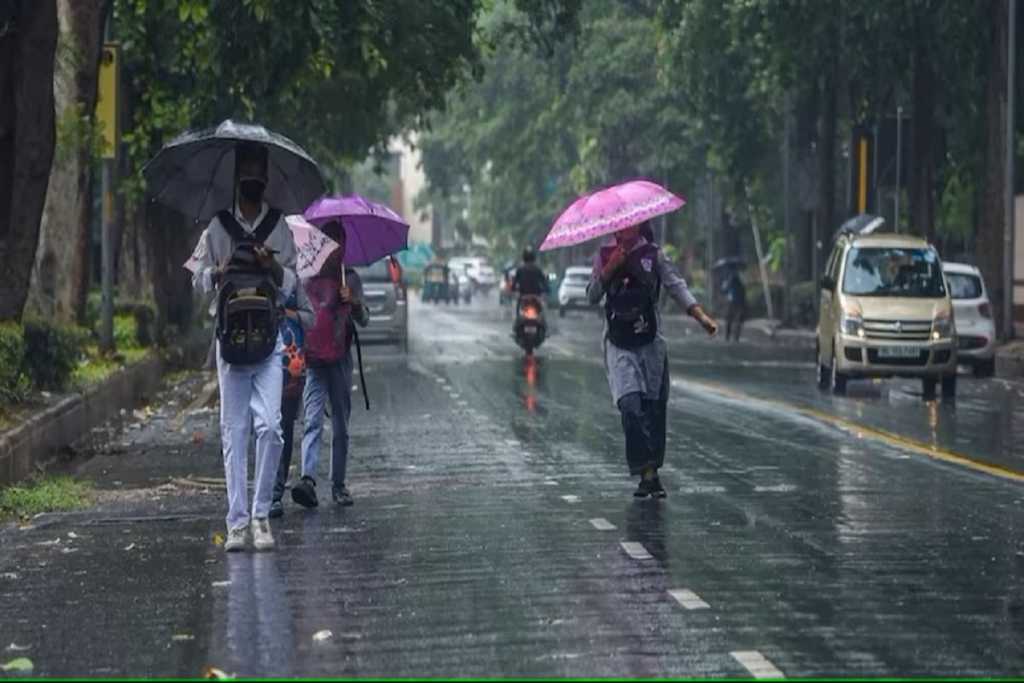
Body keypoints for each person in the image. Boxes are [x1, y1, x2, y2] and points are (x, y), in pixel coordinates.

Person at [188, 141, 298, 552]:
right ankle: (237, 523)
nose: (253, 179)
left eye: (258, 172)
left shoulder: (279, 227)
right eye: (246, 172)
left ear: (265, 178)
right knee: (234, 433)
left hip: (269, 342)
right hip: (230, 345)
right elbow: (196, 276)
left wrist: (273, 266)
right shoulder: (218, 228)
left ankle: (260, 516)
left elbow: (293, 284)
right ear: (238, 179)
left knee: (270, 427)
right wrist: (215, 273)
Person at [587, 220, 718, 498]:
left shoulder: (654, 255)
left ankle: (651, 473)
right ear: (614, 228)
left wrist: (700, 316)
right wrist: (611, 267)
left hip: (650, 345)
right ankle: (644, 469)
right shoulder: (602, 256)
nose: (625, 229)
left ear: (639, 226)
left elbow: (676, 286)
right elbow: (592, 296)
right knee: (630, 405)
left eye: (631, 224)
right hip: (618, 344)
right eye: (620, 225)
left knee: (654, 410)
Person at [290, 220, 370, 509]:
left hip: (340, 360)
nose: (333, 246)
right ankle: (308, 479)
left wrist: (355, 302)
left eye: (338, 240)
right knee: (311, 420)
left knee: (340, 425)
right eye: (328, 239)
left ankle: (338, 484)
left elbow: (364, 319)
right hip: (313, 359)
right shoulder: (306, 276)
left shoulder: (350, 277)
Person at [269, 288, 314, 519]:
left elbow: (310, 318)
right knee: (264, 427)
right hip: (261, 361)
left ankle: (275, 493)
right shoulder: (254, 277)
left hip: (292, 368)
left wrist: (289, 313)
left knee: (284, 427)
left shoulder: (295, 283)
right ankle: (265, 490)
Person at [721, 269, 746, 342]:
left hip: (732, 303)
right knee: (737, 321)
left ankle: (727, 336)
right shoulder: (740, 284)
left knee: (729, 320)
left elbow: (724, 291)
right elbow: (744, 294)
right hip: (739, 303)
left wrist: (725, 285)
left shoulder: (730, 283)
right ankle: (736, 337)